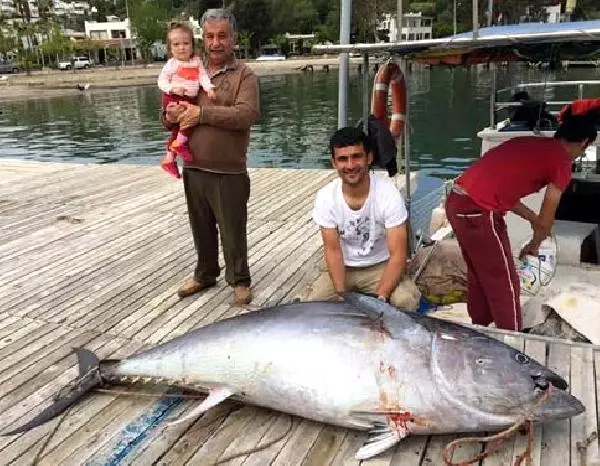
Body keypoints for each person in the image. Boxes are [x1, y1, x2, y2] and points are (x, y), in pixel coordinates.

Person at [445, 115, 597, 331]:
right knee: (505, 282)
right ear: (583, 143)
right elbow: (548, 217)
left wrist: (532, 219)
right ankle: (514, 340)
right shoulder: (562, 162)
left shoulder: (528, 143)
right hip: (479, 211)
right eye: (583, 150)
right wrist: (534, 245)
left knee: (479, 274)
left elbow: (504, 191)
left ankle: (480, 327)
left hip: (457, 202)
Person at [162, 9, 260, 305]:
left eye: (222, 36)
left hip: (229, 171)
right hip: (192, 166)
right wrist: (169, 115)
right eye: (209, 36)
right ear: (202, 38)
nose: (215, 42)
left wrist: (201, 114)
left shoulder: (245, 75)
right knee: (200, 226)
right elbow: (167, 117)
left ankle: (239, 279)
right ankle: (205, 273)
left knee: (233, 229)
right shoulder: (187, 66)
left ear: (233, 39)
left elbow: (247, 114)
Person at [307, 127, 421, 310]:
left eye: (356, 156)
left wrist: (380, 299)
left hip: (381, 265)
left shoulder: (388, 194)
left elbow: (398, 255)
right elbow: (333, 251)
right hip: (344, 265)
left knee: (406, 301)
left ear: (369, 158)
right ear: (334, 163)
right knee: (314, 305)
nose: (350, 165)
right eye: (343, 159)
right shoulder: (326, 197)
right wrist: (341, 295)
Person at [157, 23, 216, 179]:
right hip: (174, 97)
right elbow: (161, 81)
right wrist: (172, 89)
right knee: (188, 121)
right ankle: (179, 145)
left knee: (179, 129)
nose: (181, 48)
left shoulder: (196, 61)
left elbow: (203, 76)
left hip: (188, 97)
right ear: (170, 48)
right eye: (176, 44)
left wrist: (209, 88)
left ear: (192, 45)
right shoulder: (172, 64)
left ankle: (169, 159)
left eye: (185, 43)